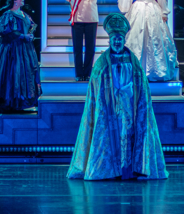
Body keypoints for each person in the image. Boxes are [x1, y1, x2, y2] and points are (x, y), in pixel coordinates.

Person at [67, 13, 168, 180]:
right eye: (114, 39)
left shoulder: (133, 62)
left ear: (124, 40)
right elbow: (96, 89)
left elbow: (141, 88)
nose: (117, 42)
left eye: (120, 38)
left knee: (127, 137)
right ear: (109, 40)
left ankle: (128, 170)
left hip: (129, 109)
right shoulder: (101, 63)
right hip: (108, 110)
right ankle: (110, 171)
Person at [110, 0, 178, 81]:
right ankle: (135, 69)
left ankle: (154, 70)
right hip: (138, 9)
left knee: (154, 38)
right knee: (136, 37)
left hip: (153, 9)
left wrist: (164, 12)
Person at [61, 0, 112, 81]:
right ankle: (79, 74)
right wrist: (73, 2)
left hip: (92, 18)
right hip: (77, 18)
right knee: (77, 48)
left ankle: (88, 74)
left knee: (90, 48)